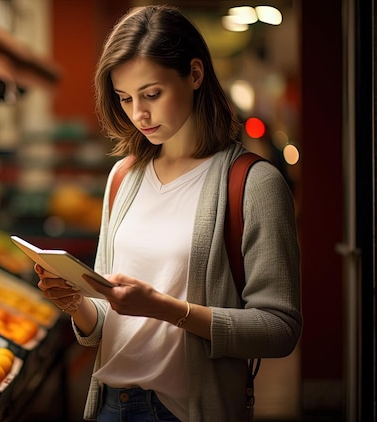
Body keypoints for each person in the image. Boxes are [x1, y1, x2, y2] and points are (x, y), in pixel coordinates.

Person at [34, 4, 302, 422]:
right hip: (108, 405)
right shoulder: (123, 177)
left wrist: (166, 308)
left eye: (152, 94)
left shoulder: (253, 184)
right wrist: (78, 306)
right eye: (125, 98)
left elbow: (279, 329)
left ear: (195, 74)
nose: (138, 114)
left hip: (184, 411)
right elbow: (106, 321)